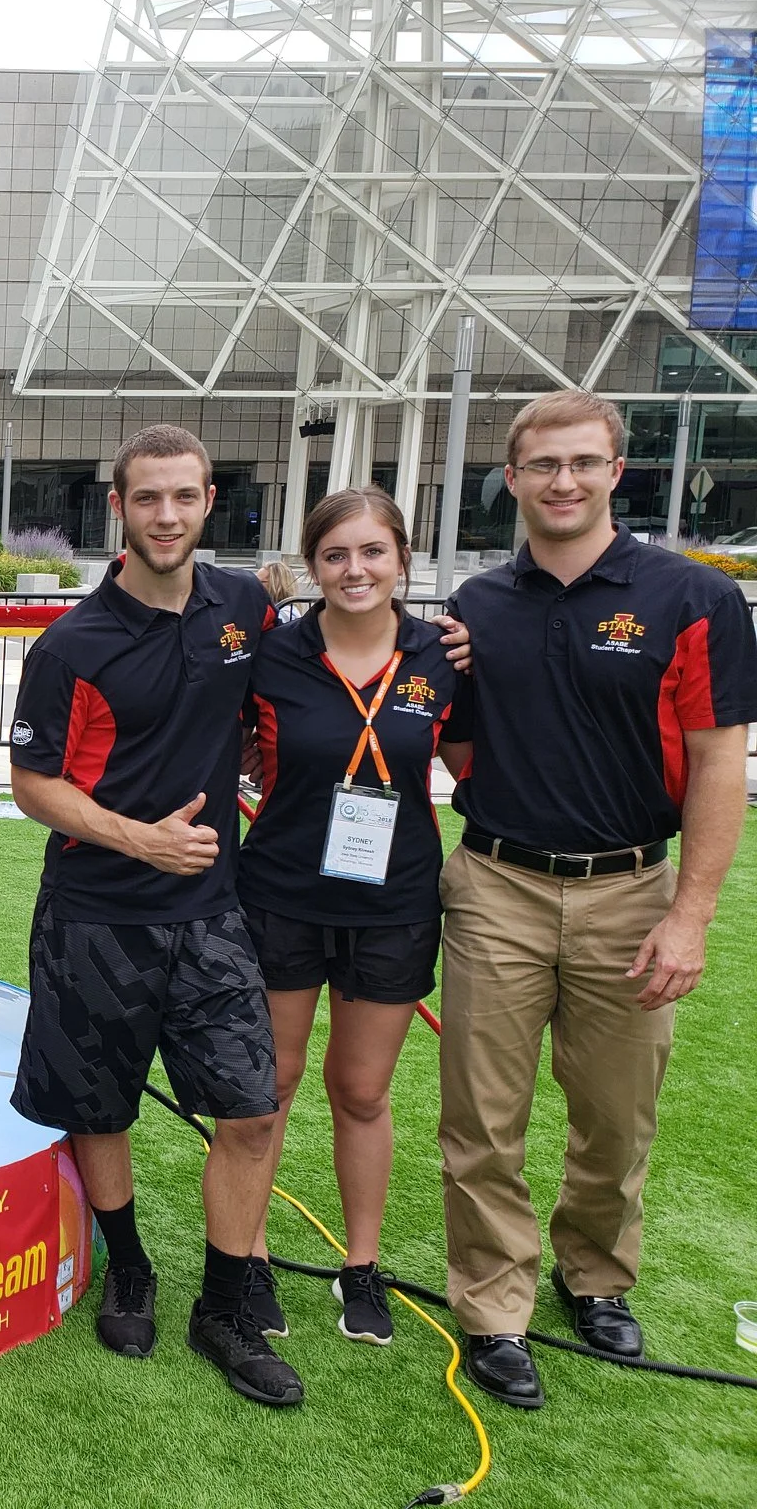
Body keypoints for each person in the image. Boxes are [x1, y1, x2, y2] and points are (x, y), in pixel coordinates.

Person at [434, 391, 756, 1410]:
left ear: (619, 471)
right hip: (495, 884)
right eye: (542, 466)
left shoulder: (692, 601)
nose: (562, 482)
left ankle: (595, 1275)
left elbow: (717, 764)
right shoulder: (476, 607)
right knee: (483, 1121)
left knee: (616, 1118)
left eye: (583, 463)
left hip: (629, 887)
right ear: (513, 478)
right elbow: (457, 741)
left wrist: (691, 913)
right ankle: (492, 1305)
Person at [7, 423, 301, 1407]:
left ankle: (225, 1301)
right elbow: (33, 785)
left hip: (213, 910)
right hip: (95, 911)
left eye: (183, 497)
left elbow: (292, 683)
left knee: (252, 1111)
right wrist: (142, 840)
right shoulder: (72, 645)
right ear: (118, 510)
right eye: (147, 499)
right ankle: (129, 1264)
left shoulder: (245, 607)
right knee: (98, 1108)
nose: (166, 515)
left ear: (209, 500)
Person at [236, 487, 459, 1347]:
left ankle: (360, 1266)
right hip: (284, 895)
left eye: (372, 552)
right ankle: (247, 1257)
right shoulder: (275, 657)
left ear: (402, 560)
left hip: (395, 901)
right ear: (314, 565)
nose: (355, 570)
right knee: (271, 1088)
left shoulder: (444, 656)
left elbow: (469, 758)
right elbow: (239, 752)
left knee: (361, 1091)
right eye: (336, 555)